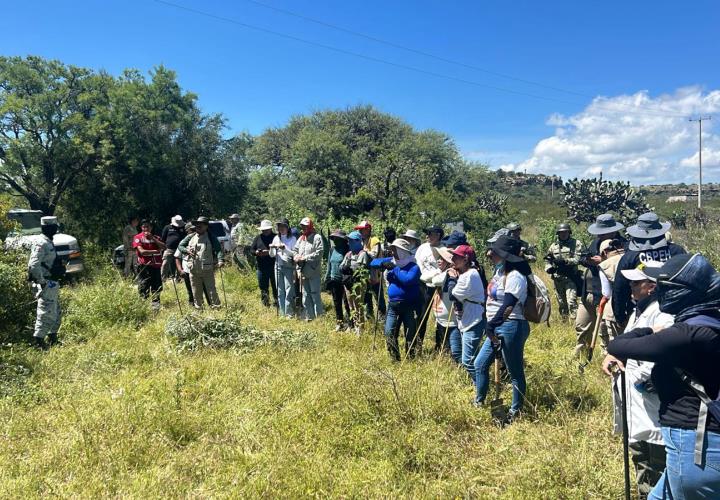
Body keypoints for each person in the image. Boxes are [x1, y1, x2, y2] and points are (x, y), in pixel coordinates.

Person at [607, 253, 720, 499]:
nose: (660, 291)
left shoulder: (688, 333)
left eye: (665, 286)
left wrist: (651, 329)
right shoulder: (711, 322)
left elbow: (618, 345)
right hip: (698, 443)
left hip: (695, 446)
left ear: (683, 292)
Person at [601, 261, 674, 499]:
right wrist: (616, 355)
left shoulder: (663, 313)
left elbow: (657, 360)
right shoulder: (639, 309)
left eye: (635, 282)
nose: (630, 286)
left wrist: (632, 369)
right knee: (639, 454)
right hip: (635, 401)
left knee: (657, 461)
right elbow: (630, 344)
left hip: (651, 402)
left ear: (651, 286)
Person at [474, 235, 531, 425]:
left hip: (511, 326)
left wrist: (492, 325)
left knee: (515, 372)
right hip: (496, 326)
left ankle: (515, 411)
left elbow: (508, 306)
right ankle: (479, 402)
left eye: (495, 252)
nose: (490, 255)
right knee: (480, 364)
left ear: (505, 256)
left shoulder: (516, 276)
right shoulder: (500, 274)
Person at [612, 212, 686, 326]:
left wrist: (620, 316)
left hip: (643, 310)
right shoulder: (677, 251)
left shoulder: (630, 257)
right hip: (677, 307)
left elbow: (620, 288)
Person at [575, 213, 627, 357]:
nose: (601, 235)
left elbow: (623, 266)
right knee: (581, 325)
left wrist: (604, 262)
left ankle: (607, 358)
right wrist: (588, 261)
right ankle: (580, 356)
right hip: (589, 292)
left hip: (606, 295)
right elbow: (583, 259)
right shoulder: (595, 243)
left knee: (604, 331)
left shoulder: (623, 244)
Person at [450, 244, 487, 382]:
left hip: (473, 319)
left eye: (456, 256)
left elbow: (453, 294)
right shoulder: (468, 273)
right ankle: (479, 386)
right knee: (473, 357)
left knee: (468, 361)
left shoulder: (469, 275)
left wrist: (453, 279)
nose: (452, 258)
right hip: (470, 317)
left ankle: (481, 388)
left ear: (465, 259)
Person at [383, 238, 421, 360]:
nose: (393, 253)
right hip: (393, 305)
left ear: (403, 251)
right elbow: (375, 264)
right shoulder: (395, 264)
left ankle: (411, 357)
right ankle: (395, 358)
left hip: (409, 305)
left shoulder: (413, 267)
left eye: (395, 250)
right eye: (392, 250)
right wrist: (383, 264)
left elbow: (407, 280)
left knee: (410, 333)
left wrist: (394, 270)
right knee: (389, 332)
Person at [28, 216, 63, 349]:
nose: (56, 229)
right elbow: (33, 264)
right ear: (48, 228)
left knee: (55, 310)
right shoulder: (41, 242)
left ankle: (52, 337)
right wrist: (41, 281)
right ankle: (39, 341)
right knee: (45, 311)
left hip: (52, 281)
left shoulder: (48, 241)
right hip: (46, 282)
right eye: (54, 227)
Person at [177, 216, 224, 309]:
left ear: (206, 226)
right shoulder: (190, 236)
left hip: (207, 269)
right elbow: (180, 245)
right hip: (193, 270)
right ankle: (199, 310)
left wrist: (220, 260)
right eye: (197, 224)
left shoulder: (211, 237)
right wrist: (186, 251)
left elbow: (218, 250)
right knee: (196, 291)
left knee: (211, 291)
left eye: (201, 225)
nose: (198, 226)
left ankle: (217, 309)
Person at [545, 223, 583, 321]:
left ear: (569, 232)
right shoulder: (554, 246)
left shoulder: (576, 243)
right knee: (561, 303)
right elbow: (547, 259)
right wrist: (549, 268)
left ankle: (576, 322)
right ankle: (564, 322)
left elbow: (578, 259)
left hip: (570, 277)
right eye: (561, 233)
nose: (563, 234)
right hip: (558, 278)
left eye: (565, 232)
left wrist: (565, 261)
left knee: (571, 301)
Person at [416, 225, 445, 354]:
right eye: (426, 233)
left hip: (439, 286)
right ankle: (418, 345)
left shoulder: (443, 249)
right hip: (424, 285)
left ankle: (440, 346)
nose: (427, 236)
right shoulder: (422, 248)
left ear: (438, 235)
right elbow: (417, 264)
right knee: (422, 316)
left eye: (430, 233)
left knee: (440, 316)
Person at [431, 246, 460, 361]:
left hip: (452, 321)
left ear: (448, 262)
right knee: (442, 347)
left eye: (441, 258)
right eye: (438, 258)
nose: (438, 260)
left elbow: (435, 281)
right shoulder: (444, 273)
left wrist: (446, 272)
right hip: (441, 320)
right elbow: (426, 278)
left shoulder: (454, 274)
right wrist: (441, 271)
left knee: (454, 350)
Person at [294, 217, 324, 320]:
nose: (304, 228)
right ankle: (309, 317)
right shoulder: (301, 238)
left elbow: (319, 253)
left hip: (313, 271)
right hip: (302, 271)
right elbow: (295, 249)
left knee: (315, 294)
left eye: (306, 226)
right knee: (305, 295)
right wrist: (296, 256)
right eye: (302, 226)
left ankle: (319, 317)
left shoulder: (317, 237)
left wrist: (305, 258)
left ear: (310, 226)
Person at [341, 230, 371, 331]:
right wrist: (345, 268)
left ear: (358, 241)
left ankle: (360, 328)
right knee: (351, 306)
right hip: (348, 284)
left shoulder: (362, 254)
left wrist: (348, 268)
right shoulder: (349, 254)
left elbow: (360, 269)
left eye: (352, 241)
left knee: (359, 306)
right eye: (349, 241)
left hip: (358, 284)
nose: (349, 243)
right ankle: (354, 325)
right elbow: (341, 266)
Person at [133, 220, 165, 310]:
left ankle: (156, 309)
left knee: (156, 288)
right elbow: (142, 252)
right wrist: (156, 251)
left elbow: (164, 247)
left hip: (156, 267)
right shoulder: (137, 237)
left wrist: (153, 239)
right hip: (144, 267)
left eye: (147, 227)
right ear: (141, 228)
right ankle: (143, 308)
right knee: (143, 288)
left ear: (151, 228)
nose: (145, 229)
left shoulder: (156, 237)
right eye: (143, 227)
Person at [356, 220, 385, 319]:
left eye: (362, 230)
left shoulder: (374, 240)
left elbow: (374, 255)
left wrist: (365, 251)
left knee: (378, 297)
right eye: (360, 230)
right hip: (365, 275)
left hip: (375, 273)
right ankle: (370, 318)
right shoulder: (361, 241)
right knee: (367, 298)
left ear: (368, 230)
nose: (360, 232)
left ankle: (382, 318)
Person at [269, 218, 297, 317]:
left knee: (289, 288)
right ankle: (282, 312)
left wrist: (284, 248)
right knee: (280, 289)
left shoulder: (292, 239)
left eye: (283, 226)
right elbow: (272, 255)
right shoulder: (276, 238)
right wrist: (272, 248)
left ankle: (289, 312)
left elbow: (294, 254)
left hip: (288, 265)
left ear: (287, 227)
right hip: (277, 265)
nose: (281, 228)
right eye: (279, 226)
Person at [325, 229, 350, 331]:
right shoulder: (332, 250)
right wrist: (327, 277)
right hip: (334, 279)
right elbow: (329, 264)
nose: (335, 240)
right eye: (334, 238)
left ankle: (351, 323)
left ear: (342, 240)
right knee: (336, 302)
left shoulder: (347, 250)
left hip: (344, 280)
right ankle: (339, 323)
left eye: (337, 238)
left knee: (347, 303)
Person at [251, 219, 278, 308]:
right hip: (261, 267)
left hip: (274, 266)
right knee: (263, 286)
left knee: (276, 286)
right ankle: (265, 304)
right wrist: (256, 253)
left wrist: (269, 252)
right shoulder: (258, 238)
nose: (265, 231)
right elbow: (252, 250)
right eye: (263, 229)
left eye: (266, 229)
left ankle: (277, 302)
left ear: (270, 229)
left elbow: (280, 250)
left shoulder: (276, 237)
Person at [160, 215, 185, 281]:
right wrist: (164, 246)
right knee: (165, 264)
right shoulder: (167, 227)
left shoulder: (183, 227)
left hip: (180, 249)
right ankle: (163, 279)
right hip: (169, 249)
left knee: (179, 264)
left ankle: (178, 279)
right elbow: (163, 238)